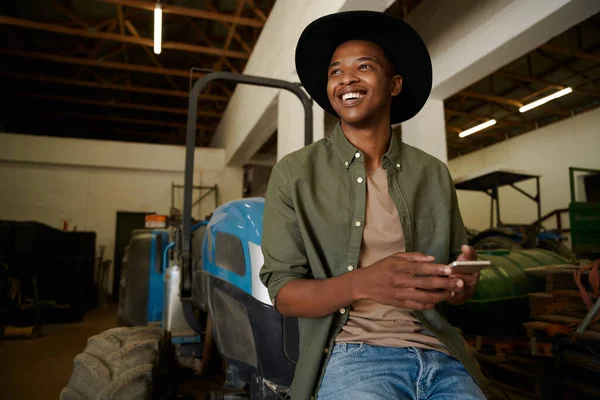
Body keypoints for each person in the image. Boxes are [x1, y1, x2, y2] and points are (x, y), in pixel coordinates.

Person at [260, 10, 488, 400]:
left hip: (438, 352)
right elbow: (283, 295)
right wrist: (362, 282)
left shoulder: (432, 173)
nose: (346, 78)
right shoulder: (294, 173)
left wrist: (461, 285)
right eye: (335, 71)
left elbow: (452, 282)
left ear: (395, 84)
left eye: (363, 66)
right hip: (353, 356)